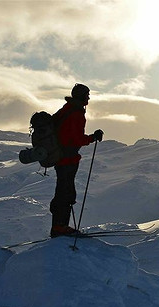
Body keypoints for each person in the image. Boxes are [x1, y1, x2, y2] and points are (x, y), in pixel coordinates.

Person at [50, 83, 103, 238]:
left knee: (63, 191)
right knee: (66, 193)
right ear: (81, 96)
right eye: (87, 94)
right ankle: (61, 227)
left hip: (61, 158)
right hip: (68, 159)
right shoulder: (76, 113)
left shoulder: (66, 109)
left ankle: (59, 226)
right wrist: (93, 138)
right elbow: (76, 139)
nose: (89, 97)